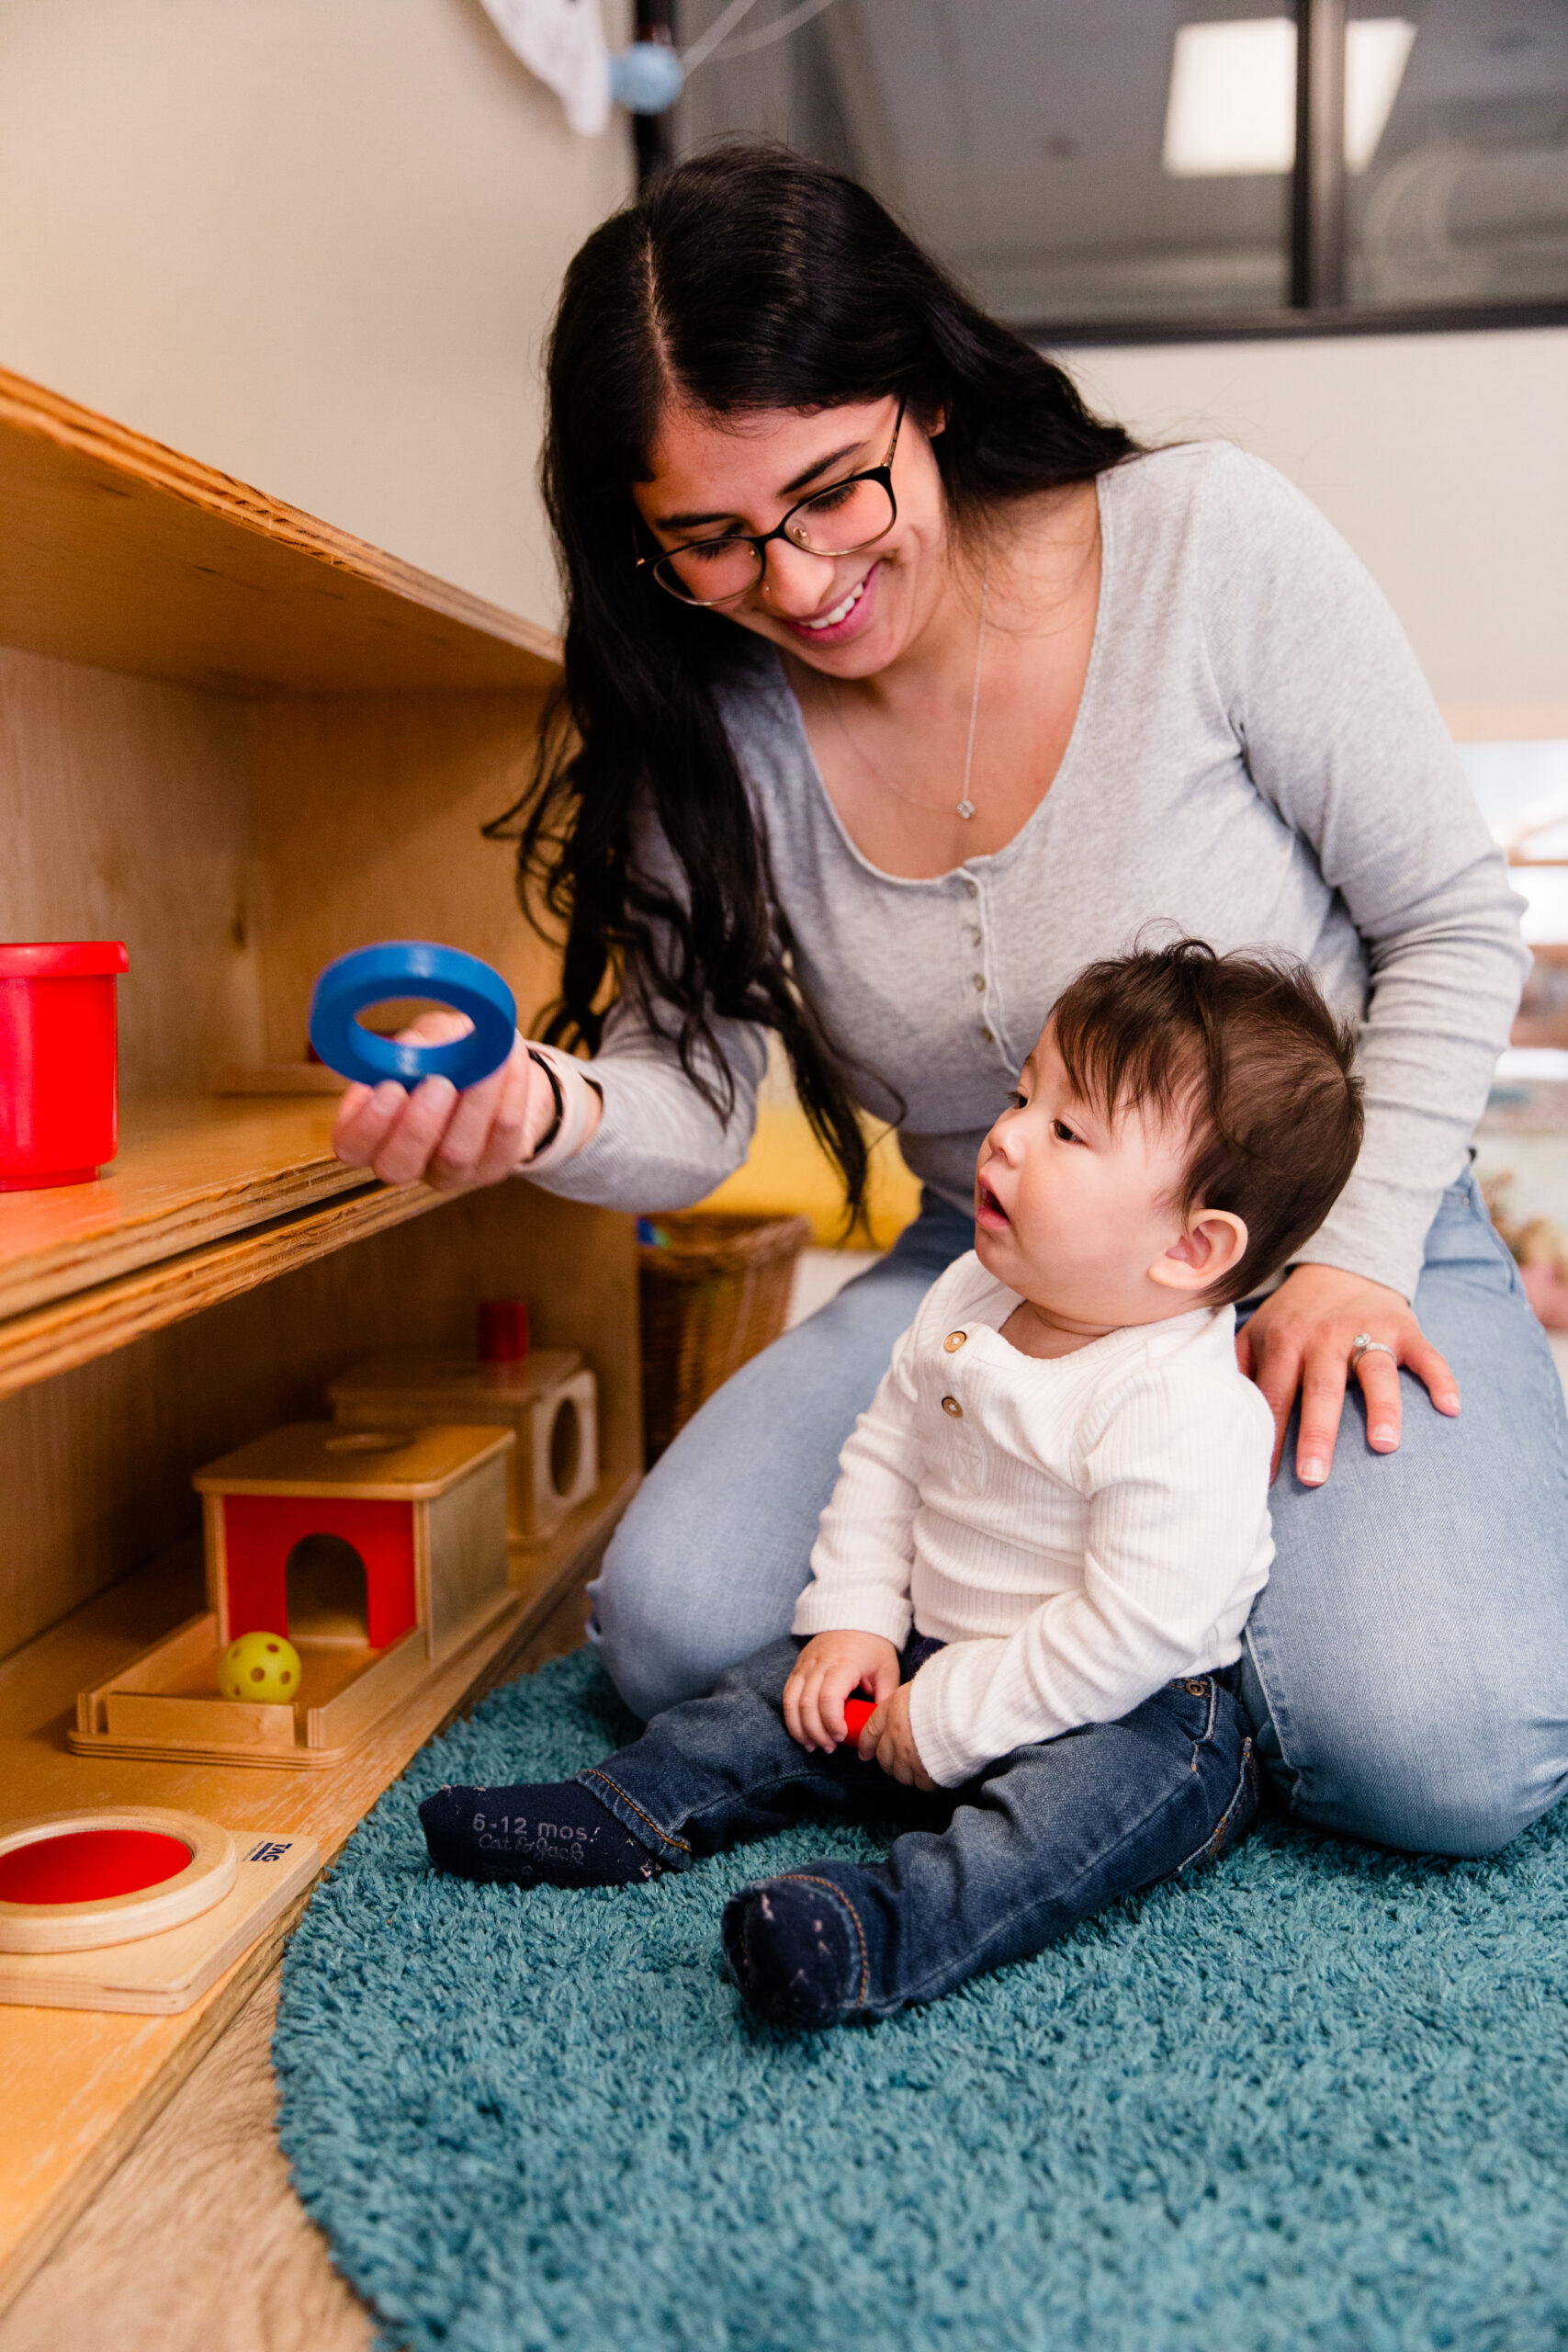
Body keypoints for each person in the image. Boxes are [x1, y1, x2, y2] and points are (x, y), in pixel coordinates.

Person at [334, 145, 1568, 1860]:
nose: (794, 578)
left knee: (1437, 1756)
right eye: (709, 535)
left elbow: (1448, 920)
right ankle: (1126, 1634)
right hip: (990, 1272)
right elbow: (686, 1105)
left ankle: (1166, 1642)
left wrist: (1353, 1254)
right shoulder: (712, 715)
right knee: (676, 1626)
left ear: (918, 393)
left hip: (1325, 1238)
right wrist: (542, 1107)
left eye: (833, 489)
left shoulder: (1203, 543)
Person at [419, 944, 1362, 2028]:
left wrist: (955, 1714)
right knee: (763, 1696)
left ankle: (872, 1932)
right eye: (1023, 1096)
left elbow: (1134, 1630)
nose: (1005, 1135)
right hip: (929, 1648)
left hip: (1128, 1708)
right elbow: (887, 1459)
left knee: (1062, 1828)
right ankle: (623, 1808)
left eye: (1065, 1130)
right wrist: (857, 1623)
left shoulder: (1183, 1408)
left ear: (1192, 1247)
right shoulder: (969, 1288)